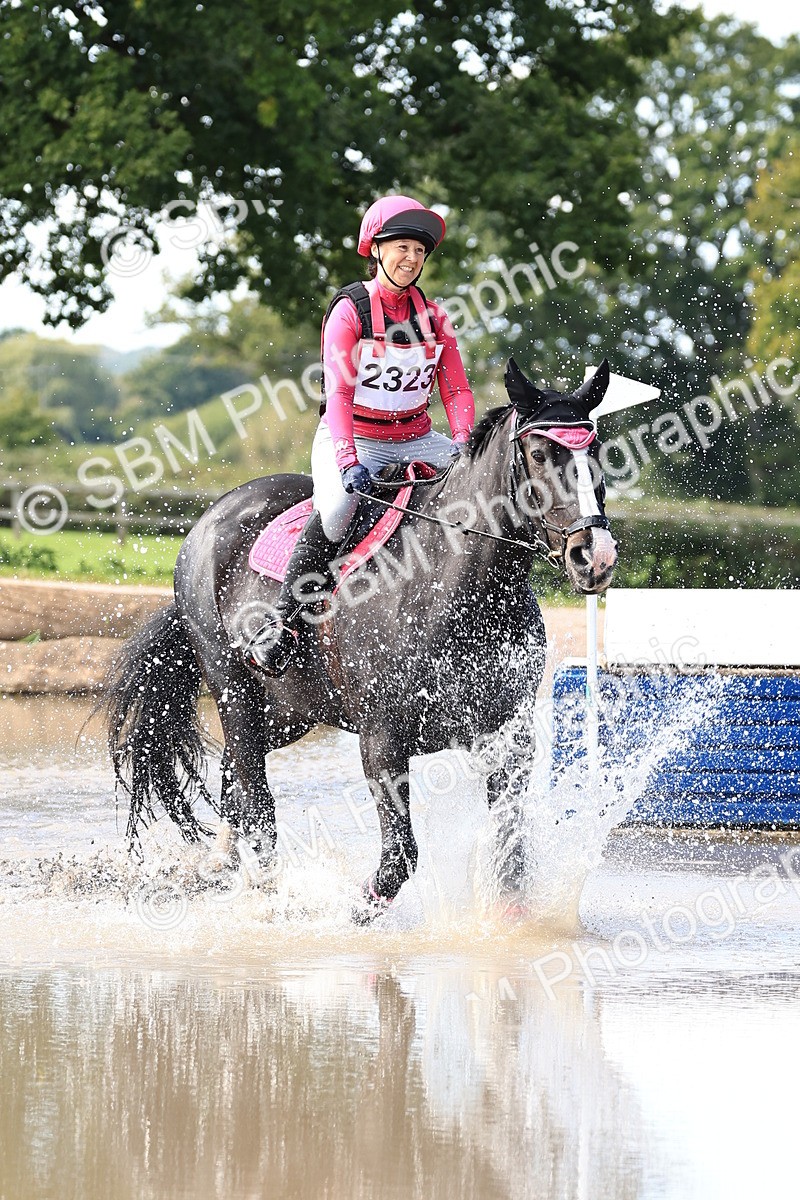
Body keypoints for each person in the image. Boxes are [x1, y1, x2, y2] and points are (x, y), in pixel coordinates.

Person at [251, 194, 476, 675]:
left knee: (480, 487)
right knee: (336, 511)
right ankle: (284, 621)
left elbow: (456, 390)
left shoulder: (436, 319)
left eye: (420, 251)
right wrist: (349, 459)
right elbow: (339, 395)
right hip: (353, 437)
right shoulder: (350, 311)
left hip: (418, 438)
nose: (412, 258)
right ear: (375, 248)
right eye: (402, 247)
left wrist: (462, 442)